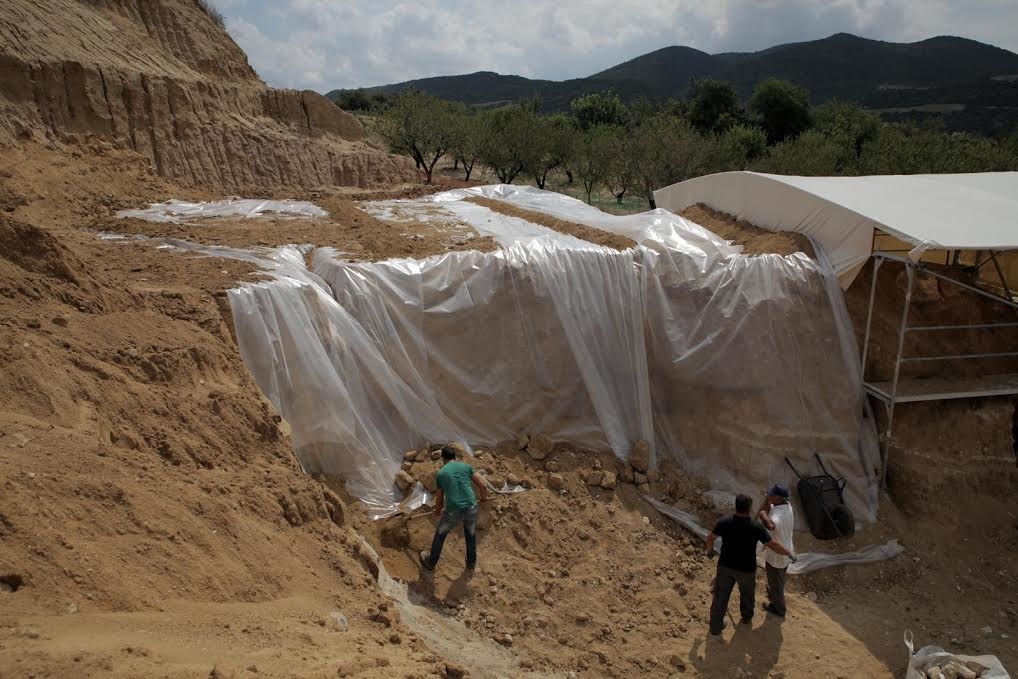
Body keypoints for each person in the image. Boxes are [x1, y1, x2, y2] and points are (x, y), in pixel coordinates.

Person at [706, 493, 796, 635]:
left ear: (736, 506)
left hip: (725, 567)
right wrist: (789, 553)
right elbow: (773, 545)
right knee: (747, 595)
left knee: (720, 596)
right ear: (749, 508)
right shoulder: (756, 527)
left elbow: (710, 537)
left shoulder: (725, 522)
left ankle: (715, 626)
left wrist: (710, 551)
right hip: (746, 570)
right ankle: (746, 618)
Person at [419, 445, 489, 573]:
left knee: (440, 534)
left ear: (443, 459)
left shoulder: (441, 473)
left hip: (453, 510)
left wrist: (438, 511)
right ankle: (471, 564)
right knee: (470, 535)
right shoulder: (466, 466)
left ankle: (431, 562)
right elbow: (483, 484)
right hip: (471, 506)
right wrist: (483, 498)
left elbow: (439, 499)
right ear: (455, 457)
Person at [757, 484, 794, 618]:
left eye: (772, 496)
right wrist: (768, 501)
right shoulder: (787, 506)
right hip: (785, 548)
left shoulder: (779, 515)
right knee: (778, 578)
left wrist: (762, 514)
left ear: (778, 498)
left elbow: (771, 525)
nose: (769, 497)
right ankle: (774, 592)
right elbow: (771, 508)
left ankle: (778, 608)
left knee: (775, 580)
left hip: (778, 554)